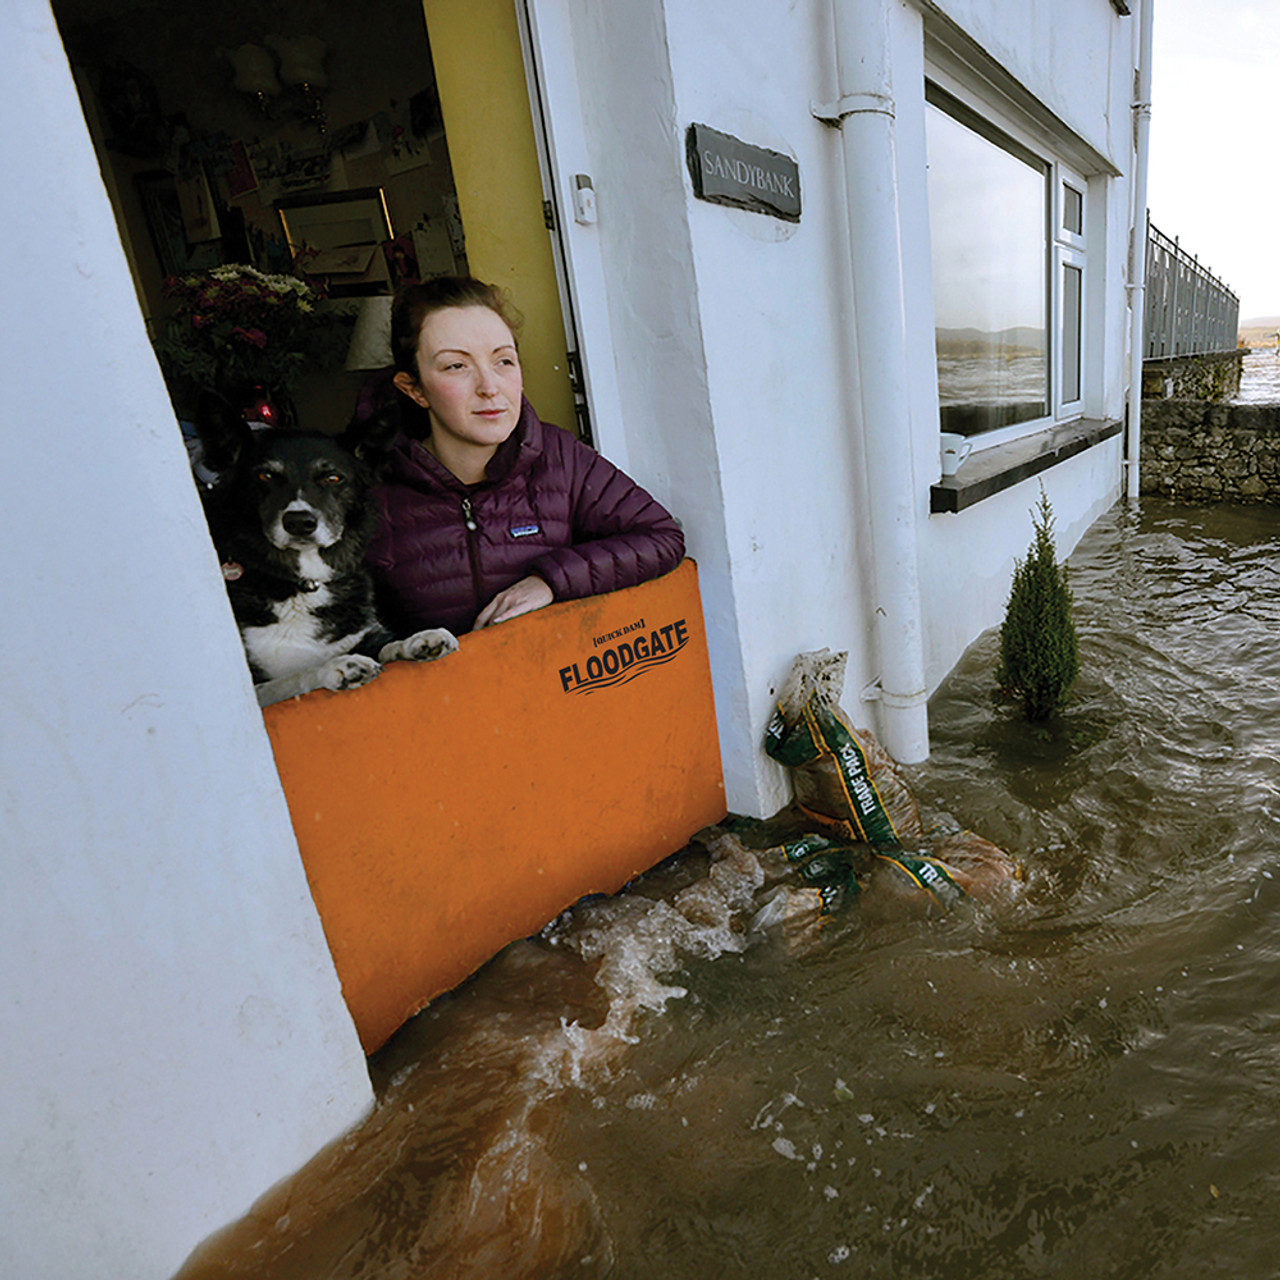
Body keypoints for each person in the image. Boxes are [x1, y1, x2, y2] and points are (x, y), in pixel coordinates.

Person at [366, 277, 685, 635]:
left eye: (503, 361)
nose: (490, 387)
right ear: (415, 389)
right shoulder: (369, 489)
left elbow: (661, 537)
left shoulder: (559, 458)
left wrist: (550, 581)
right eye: (457, 366)